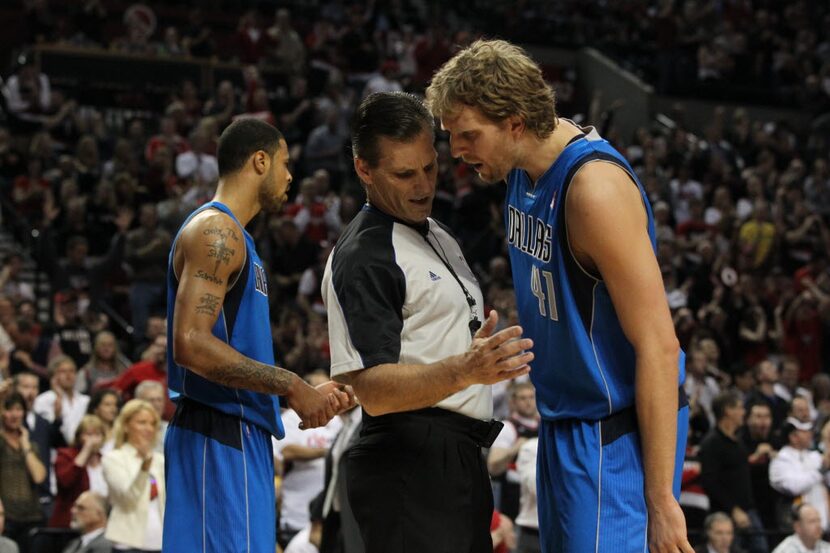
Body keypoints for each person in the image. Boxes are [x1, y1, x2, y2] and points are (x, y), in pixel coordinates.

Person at [428, 39, 690, 552]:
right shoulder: (520, 172)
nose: (457, 152)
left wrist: (660, 499)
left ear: (516, 123)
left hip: (612, 435)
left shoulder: (592, 190)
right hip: (565, 421)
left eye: (468, 136)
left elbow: (661, 346)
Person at [322, 91, 533, 553]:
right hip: (408, 460)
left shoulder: (436, 232)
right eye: (403, 174)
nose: (422, 186)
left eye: (429, 168)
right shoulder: (366, 254)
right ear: (364, 170)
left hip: (457, 456)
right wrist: (465, 369)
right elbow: (373, 390)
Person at [162, 118, 353, 553]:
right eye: (285, 164)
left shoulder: (239, 239)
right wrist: (289, 385)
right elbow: (190, 342)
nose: (290, 176)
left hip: (240, 432)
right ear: (260, 160)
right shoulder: (217, 232)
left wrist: (303, 393)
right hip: (218, 432)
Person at [698, 391, 767, 553]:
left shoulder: (737, 440)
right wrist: (734, 509)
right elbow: (709, 481)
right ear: (728, 411)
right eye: (740, 408)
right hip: (727, 514)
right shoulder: (711, 443)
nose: (744, 412)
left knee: (761, 548)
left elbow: (736, 469)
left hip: (748, 509)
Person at [102, 399, 164, 552]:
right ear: (126, 426)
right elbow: (127, 497)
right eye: (142, 422)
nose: (148, 428)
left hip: (161, 542)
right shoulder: (113, 458)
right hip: (128, 543)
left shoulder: (160, 460)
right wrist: (144, 468)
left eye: (152, 424)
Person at [0, 393, 47, 552]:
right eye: (9, 409)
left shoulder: (31, 445)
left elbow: (39, 476)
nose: (14, 414)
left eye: (19, 409)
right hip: (7, 515)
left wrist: (25, 443)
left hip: (32, 516)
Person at [769, 418, 830, 530]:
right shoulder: (780, 459)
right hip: (796, 524)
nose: (810, 434)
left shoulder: (815, 456)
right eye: (804, 432)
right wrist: (821, 471)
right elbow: (794, 487)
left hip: (823, 522)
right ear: (793, 437)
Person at [50, 415, 108, 528]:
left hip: (100, 522)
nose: (93, 440)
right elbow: (65, 482)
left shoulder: (106, 460)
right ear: (79, 436)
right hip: (70, 522)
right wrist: (86, 451)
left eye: (97, 434)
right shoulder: (66, 456)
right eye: (88, 434)